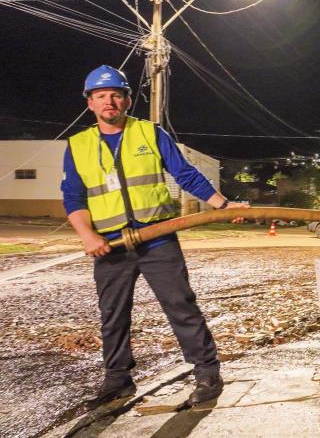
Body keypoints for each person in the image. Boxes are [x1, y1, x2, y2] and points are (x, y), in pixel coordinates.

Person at [62, 65, 244, 407]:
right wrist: (87, 235)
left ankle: (207, 373)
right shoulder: (77, 145)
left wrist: (221, 204)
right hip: (110, 246)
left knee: (181, 306)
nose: (109, 102)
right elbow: (73, 197)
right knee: (113, 315)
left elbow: (186, 175)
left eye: (116, 94)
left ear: (128, 100)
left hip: (157, 238)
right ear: (90, 104)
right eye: (100, 96)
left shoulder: (150, 133)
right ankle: (118, 380)